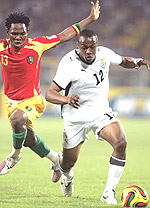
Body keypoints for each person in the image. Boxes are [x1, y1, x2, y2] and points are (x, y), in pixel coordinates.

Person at [45, 29, 150, 204]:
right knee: (68, 163)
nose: (88, 51)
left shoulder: (104, 55)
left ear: (97, 45)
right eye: (84, 47)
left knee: (121, 143)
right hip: (75, 117)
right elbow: (50, 93)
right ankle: (63, 169)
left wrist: (137, 62)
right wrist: (67, 99)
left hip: (100, 112)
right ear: (78, 46)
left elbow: (123, 61)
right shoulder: (68, 63)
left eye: (92, 47)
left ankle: (108, 192)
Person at [0, 1, 100, 180]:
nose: (18, 37)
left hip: (33, 101)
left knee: (18, 119)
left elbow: (65, 35)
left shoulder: (37, 45)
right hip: (10, 102)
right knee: (30, 140)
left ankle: (14, 157)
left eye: (22, 33)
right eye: (14, 33)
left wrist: (91, 19)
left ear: (27, 33)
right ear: (8, 33)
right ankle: (56, 159)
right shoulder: (1, 48)